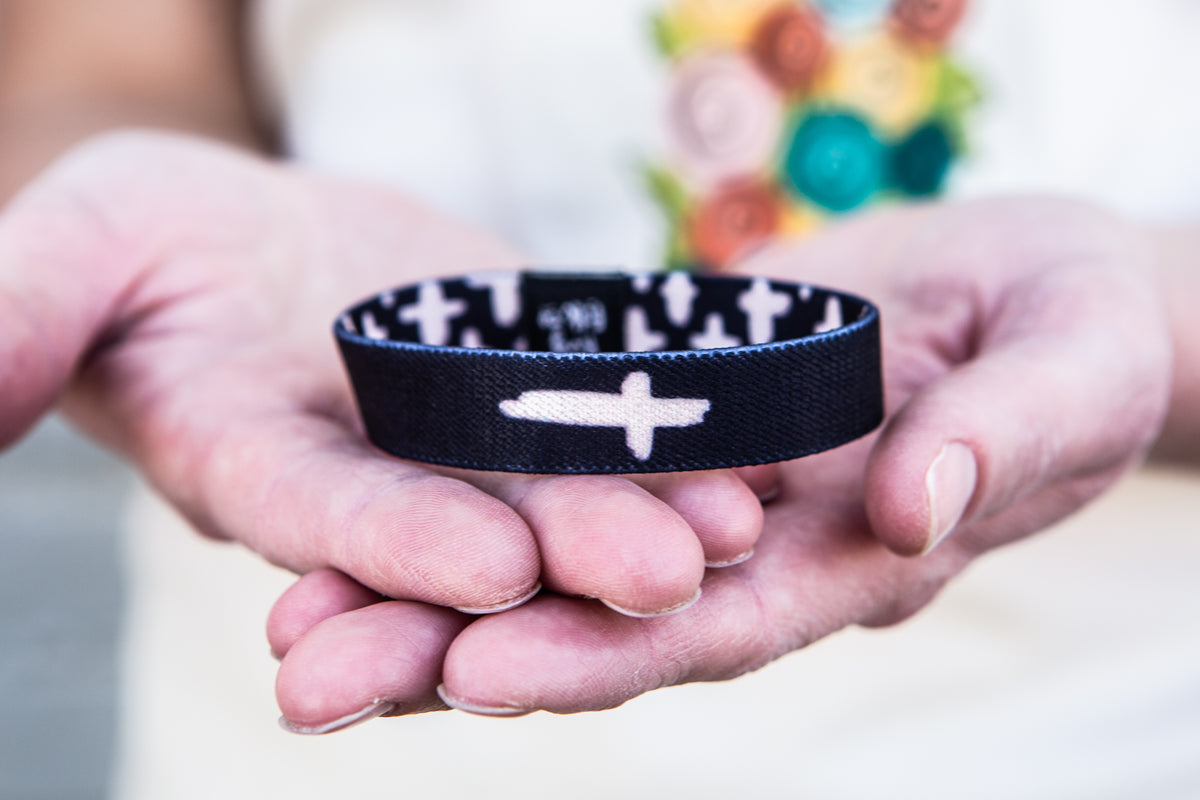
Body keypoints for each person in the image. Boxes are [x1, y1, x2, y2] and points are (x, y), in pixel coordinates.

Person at [0, 0, 1196, 796]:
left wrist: (1143, 301)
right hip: (308, 690)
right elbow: (95, 66)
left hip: (1067, 737)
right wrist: (164, 225)